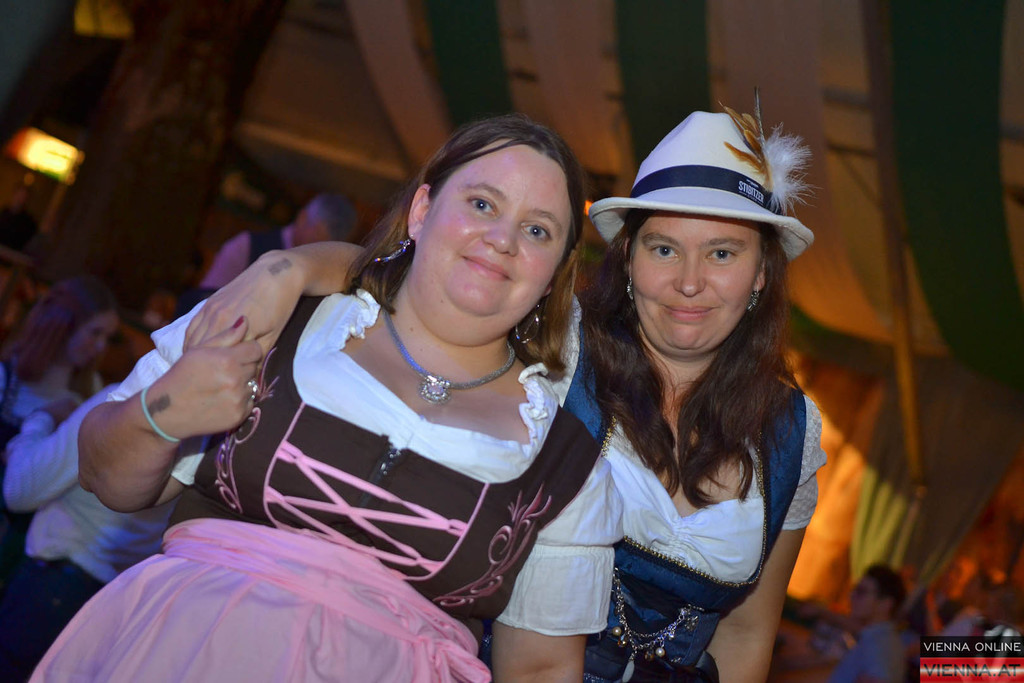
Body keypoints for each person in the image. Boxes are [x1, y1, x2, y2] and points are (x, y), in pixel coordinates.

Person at [180, 96, 827, 682]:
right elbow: (412, 277)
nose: (689, 282)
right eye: (663, 249)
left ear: (762, 274)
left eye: (722, 254)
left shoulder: (792, 433)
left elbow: (747, 634)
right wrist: (287, 267)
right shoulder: (557, 345)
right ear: (628, 260)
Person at [35, 114, 621, 682]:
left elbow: (540, 669)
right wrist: (160, 414)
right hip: (184, 655)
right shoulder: (275, 319)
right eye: (483, 204)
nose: (502, 240)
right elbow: (105, 479)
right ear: (422, 210)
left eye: (538, 230)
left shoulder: (564, 456)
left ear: (555, 273)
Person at [0, 386, 175, 681]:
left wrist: (40, 420)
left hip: (53, 587)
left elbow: (20, 489)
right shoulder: (207, 421)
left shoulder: (125, 397)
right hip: (108, 601)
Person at [0, 275, 120, 588]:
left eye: (107, 337)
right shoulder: (7, 379)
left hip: (37, 548)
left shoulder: (91, 391)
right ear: (62, 325)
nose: (100, 347)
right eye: (94, 332)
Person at [199, 192, 359, 290]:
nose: (318, 248)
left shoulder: (325, 277)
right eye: (316, 234)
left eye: (328, 246)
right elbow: (206, 298)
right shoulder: (247, 246)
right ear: (302, 218)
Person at [828, 565, 907, 683]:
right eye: (855, 589)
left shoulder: (880, 647)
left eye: (861, 592)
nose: (851, 596)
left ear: (885, 604)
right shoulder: (878, 637)